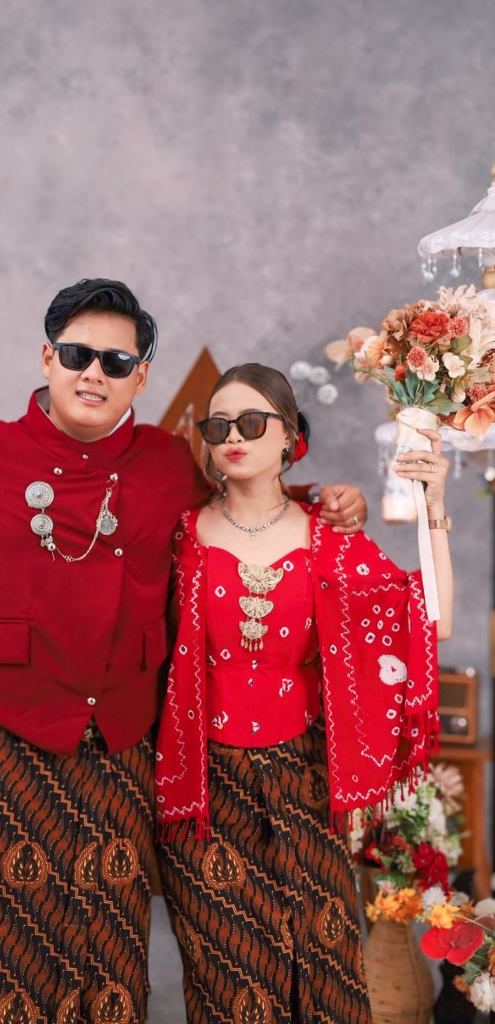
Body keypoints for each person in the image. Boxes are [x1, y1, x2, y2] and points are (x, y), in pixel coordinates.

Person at [0, 282, 367, 1022]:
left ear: (141, 376)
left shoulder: (166, 461)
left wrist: (328, 504)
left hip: (120, 744)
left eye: (116, 361)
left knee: (104, 965)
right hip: (2, 746)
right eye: (77, 355)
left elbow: (242, 513)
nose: (94, 373)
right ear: (47, 359)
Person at [155, 363, 452, 1024]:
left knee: (325, 979)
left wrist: (433, 507)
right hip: (205, 792)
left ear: (290, 435)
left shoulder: (329, 537)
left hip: (306, 783)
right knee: (229, 988)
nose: (233, 436)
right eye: (218, 427)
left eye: (251, 422)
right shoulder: (179, 537)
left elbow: (428, 618)